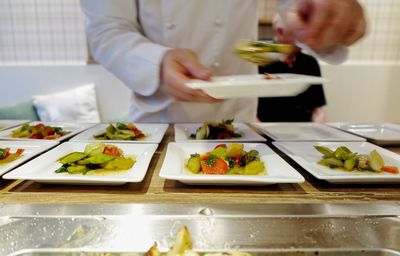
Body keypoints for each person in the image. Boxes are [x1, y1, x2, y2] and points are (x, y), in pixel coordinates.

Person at [80, 0, 366, 123]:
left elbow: (300, 6)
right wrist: (158, 62)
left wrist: (329, 20)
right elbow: (106, 29)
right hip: (158, 126)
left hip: (239, 122)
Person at [258, 14, 327, 123]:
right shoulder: (260, 61)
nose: (304, 37)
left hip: (304, 133)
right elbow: (251, 111)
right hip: (267, 133)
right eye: (298, 32)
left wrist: (317, 130)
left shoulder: (310, 63)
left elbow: (317, 109)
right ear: (280, 32)